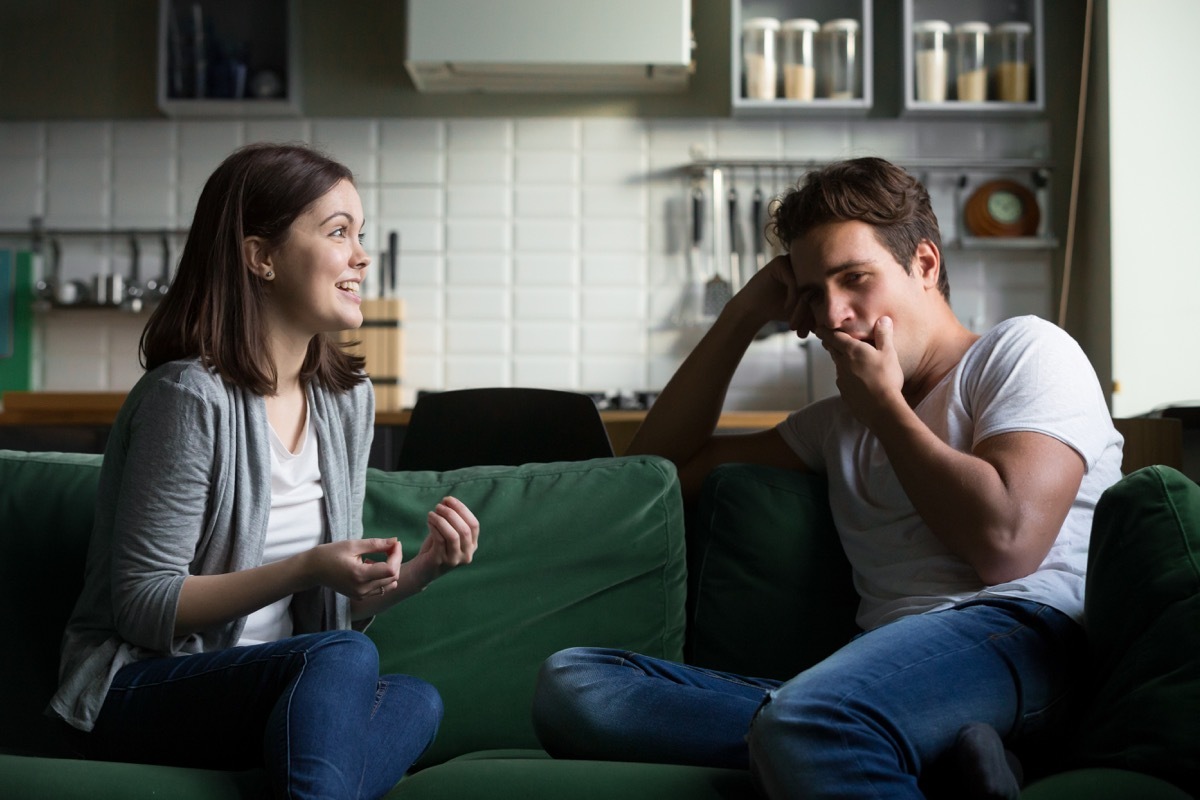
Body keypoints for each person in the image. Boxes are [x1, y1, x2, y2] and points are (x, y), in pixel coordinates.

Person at [531, 157, 1123, 799]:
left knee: (809, 722)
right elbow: (655, 475)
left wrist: (887, 411)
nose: (833, 314)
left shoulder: (1024, 352)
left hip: (1024, 635)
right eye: (813, 293)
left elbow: (1006, 545)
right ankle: (915, 746)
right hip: (880, 672)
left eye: (855, 279)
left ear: (924, 265)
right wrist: (743, 313)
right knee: (575, 687)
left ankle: (837, 728)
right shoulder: (834, 424)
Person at [48, 143, 481, 800]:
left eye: (360, 234)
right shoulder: (190, 398)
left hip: (273, 686)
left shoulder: (345, 401)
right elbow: (142, 608)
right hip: (143, 686)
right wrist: (307, 566)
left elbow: (332, 604)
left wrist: (423, 571)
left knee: (415, 699)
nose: (362, 256)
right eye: (339, 232)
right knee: (343, 659)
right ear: (262, 256)